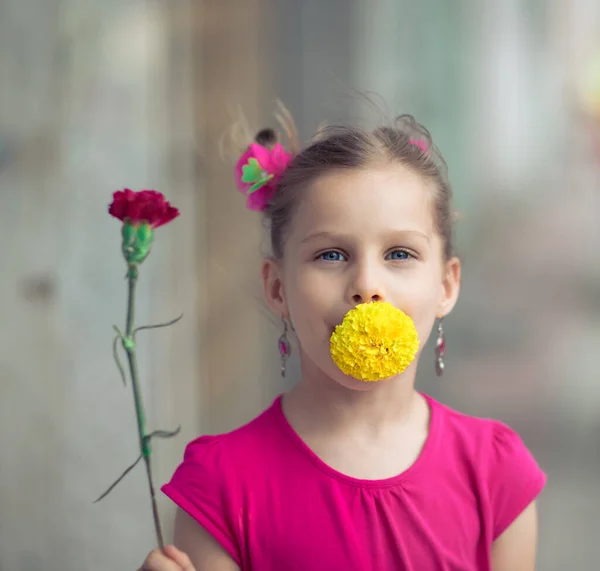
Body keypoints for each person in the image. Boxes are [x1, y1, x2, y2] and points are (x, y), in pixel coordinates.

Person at [139, 114, 546, 570]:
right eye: (331, 254)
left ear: (446, 286)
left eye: (399, 254)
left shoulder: (496, 472)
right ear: (278, 288)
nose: (367, 285)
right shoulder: (218, 487)